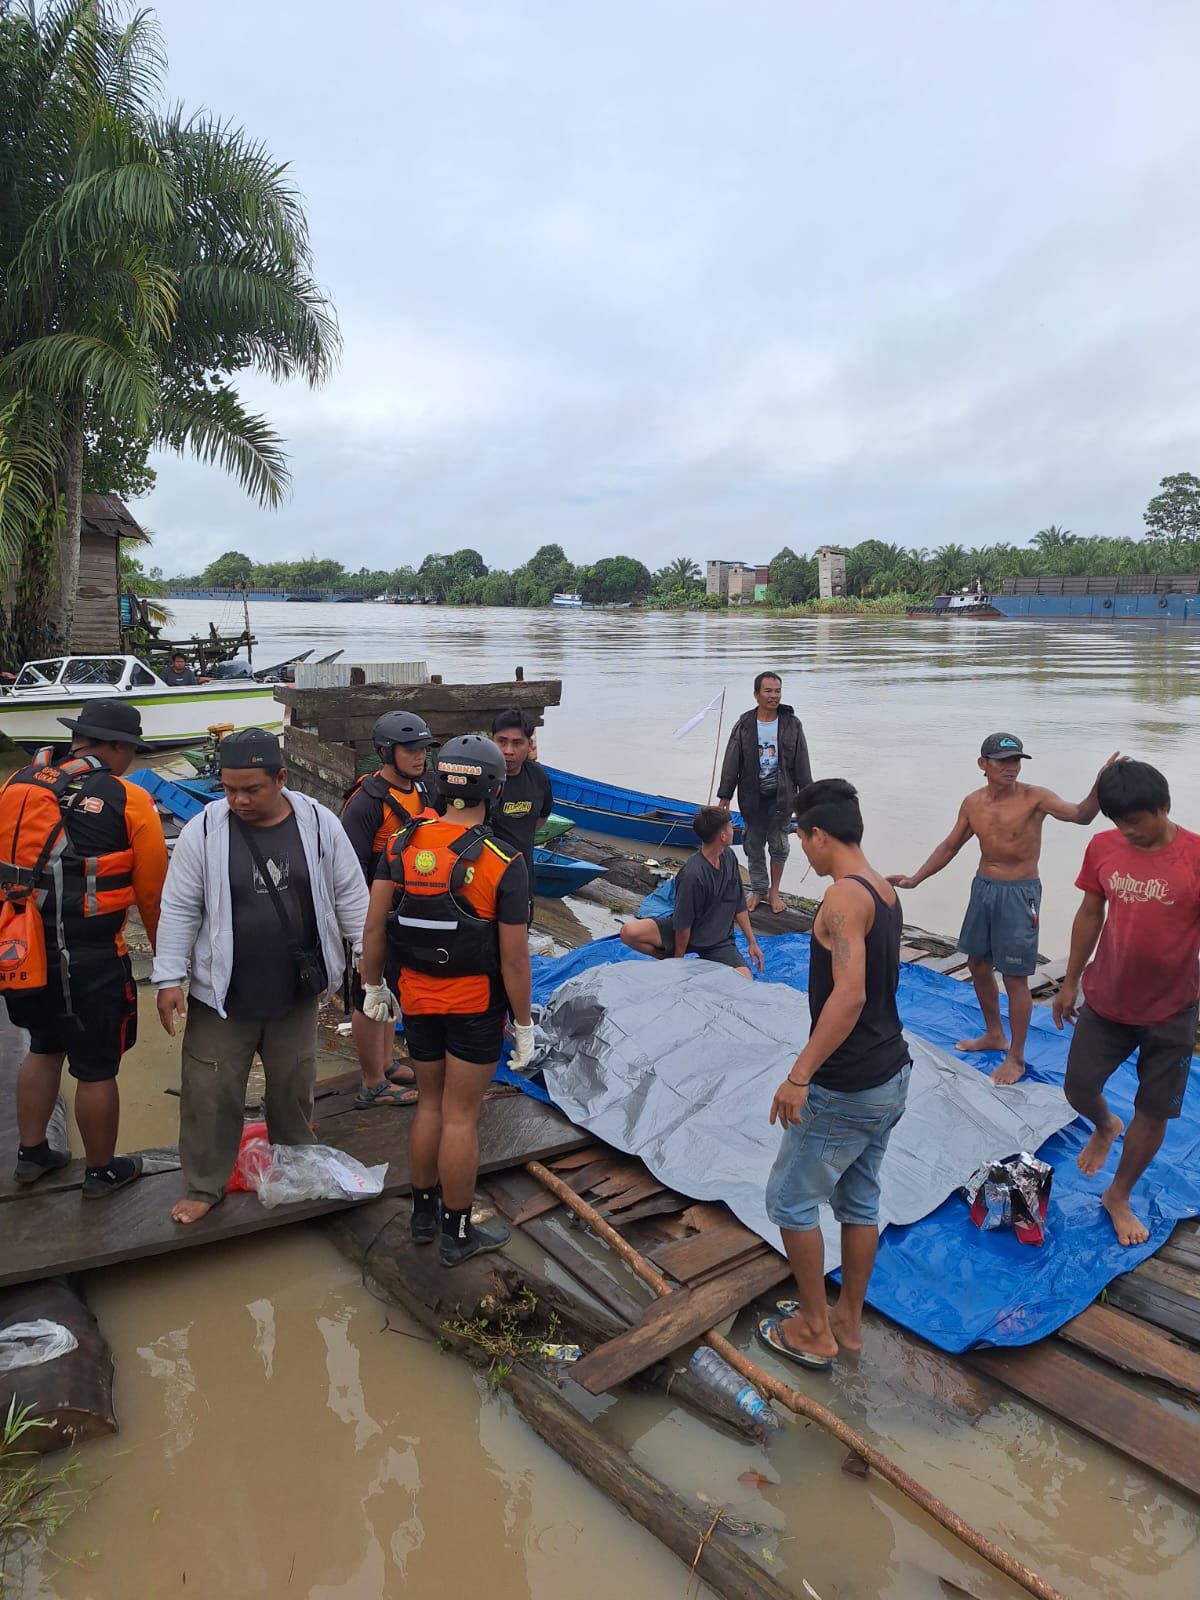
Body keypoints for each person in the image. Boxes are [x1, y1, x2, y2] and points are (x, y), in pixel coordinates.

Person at [152, 729, 369, 1225]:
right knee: (210, 1089)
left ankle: (297, 1167)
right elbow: (179, 907)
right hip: (222, 992)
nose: (239, 800)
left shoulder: (319, 824)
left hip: (296, 989)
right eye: (230, 789)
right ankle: (205, 1185)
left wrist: (369, 964)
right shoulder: (204, 831)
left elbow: (350, 896)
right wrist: (168, 979)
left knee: (293, 1086)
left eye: (251, 789)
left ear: (281, 778)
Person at [359, 734, 535, 1267]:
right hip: (474, 1004)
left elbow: (374, 928)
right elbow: (514, 960)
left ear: (441, 782)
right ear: (495, 790)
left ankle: (423, 1215)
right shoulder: (504, 860)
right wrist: (523, 1024)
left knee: (430, 1106)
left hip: (416, 997)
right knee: (460, 1118)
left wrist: (373, 986)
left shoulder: (402, 844)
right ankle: (457, 1234)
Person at [759, 779, 910, 1369]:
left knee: (789, 1200)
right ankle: (847, 1319)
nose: (804, 849)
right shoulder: (883, 890)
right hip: (890, 1074)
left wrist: (799, 1076)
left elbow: (849, 995)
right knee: (860, 1199)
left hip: (847, 1085)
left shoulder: (843, 898)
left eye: (802, 838)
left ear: (819, 834)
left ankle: (815, 1330)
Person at [2, 700, 167, 1197]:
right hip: (92, 959)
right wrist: (168, 963)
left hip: (23, 950)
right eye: (132, 751)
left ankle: (32, 1154)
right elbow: (153, 894)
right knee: (97, 1068)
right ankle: (101, 1171)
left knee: (42, 1046)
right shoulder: (128, 798)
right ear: (117, 746)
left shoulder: (18, 784)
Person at [888, 734, 1118, 1085]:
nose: (1011, 768)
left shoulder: (1035, 798)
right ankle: (995, 1033)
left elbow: (1081, 815)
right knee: (977, 963)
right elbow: (950, 845)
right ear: (983, 764)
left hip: (1019, 894)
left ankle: (1016, 1056)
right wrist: (916, 878)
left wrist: (1099, 785)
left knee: (1015, 977)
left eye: (1016, 761)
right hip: (983, 888)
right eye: (1002, 761)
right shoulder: (973, 802)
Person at [1054, 760, 1200, 1248]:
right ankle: (1105, 1124)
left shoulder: (1195, 857)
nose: (1128, 831)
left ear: (1164, 807)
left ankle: (1118, 1195)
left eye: (1135, 821)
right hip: (1107, 1000)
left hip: (1172, 1010)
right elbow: (1089, 913)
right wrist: (1070, 982)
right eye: (1118, 821)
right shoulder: (1103, 847)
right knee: (1077, 1087)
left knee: (1153, 1111)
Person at [340, 710, 435, 1108]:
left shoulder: (423, 790)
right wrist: (365, 926)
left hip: (406, 910)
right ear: (385, 752)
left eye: (423, 748)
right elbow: (348, 868)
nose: (419, 756)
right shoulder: (366, 803)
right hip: (373, 915)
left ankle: (385, 1061)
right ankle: (372, 1082)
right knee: (370, 992)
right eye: (409, 749)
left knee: (392, 988)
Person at [619, 807, 764, 977]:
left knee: (744, 979)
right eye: (730, 827)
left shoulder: (729, 857)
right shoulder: (692, 874)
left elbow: (739, 903)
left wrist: (752, 942)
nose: (733, 830)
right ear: (723, 836)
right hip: (686, 933)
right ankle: (669, 960)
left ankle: (696, 966)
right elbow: (683, 925)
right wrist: (678, 962)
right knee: (628, 933)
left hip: (717, 941)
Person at [716, 671, 812, 915]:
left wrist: (809, 800)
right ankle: (758, 888)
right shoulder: (745, 724)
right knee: (753, 844)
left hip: (783, 797)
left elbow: (802, 764)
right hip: (752, 797)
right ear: (756, 694)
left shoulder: (792, 724)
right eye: (768, 691)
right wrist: (725, 796)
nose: (774, 696)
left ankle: (774, 891)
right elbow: (731, 761)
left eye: (777, 691)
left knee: (779, 845)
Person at [489, 708, 553, 908]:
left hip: (522, 874)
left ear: (530, 744)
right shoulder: (479, 777)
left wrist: (521, 835)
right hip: (484, 876)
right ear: (491, 740)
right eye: (502, 741)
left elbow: (543, 815)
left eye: (517, 743)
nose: (508, 751)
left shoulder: (537, 776)